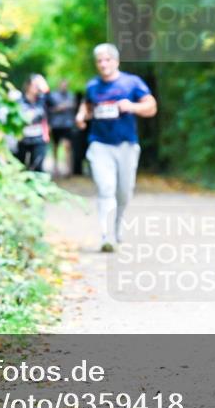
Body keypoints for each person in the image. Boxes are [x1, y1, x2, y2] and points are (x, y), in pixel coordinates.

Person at [75, 43, 157, 252]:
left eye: (107, 60)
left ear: (116, 61)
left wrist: (132, 106)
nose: (103, 64)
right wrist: (81, 116)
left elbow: (151, 107)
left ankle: (117, 225)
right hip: (100, 144)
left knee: (123, 193)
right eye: (99, 61)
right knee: (105, 188)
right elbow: (87, 105)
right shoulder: (93, 86)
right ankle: (106, 235)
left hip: (126, 145)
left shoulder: (132, 82)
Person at [15, 74, 50, 172]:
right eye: (35, 85)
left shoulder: (43, 100)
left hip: (39, 138)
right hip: (22, 139)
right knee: (21, 168)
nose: (37, 87)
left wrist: (44, 86)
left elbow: (52, 99)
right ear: (28, 86)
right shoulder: (19, 101)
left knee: (38, 168)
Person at [47, 80, 78, 176]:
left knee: (67, 146)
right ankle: (55, 167)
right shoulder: (53, 96)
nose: (64, 87)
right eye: (62, 85)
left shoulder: (71, 95)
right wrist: (58, 108)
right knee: (55, 147)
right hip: (56, 125)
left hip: (67, 125)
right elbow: (48, 109)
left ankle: (68, 168)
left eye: (65, 85)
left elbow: (74, 106)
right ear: (59, 85)